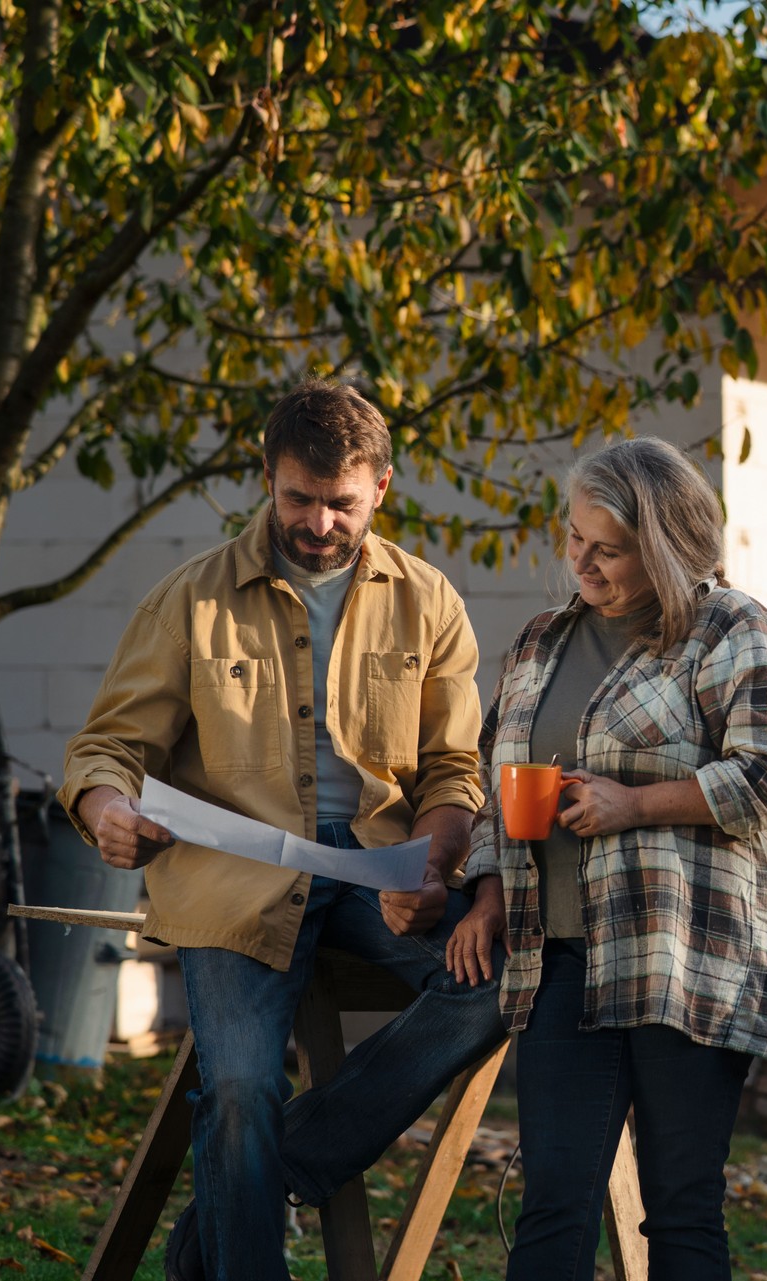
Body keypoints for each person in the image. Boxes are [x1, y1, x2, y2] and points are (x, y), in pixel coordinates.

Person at [59, 380, 507, 1281]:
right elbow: (108, 747)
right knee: (235, 1089)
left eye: (341, 502)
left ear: (382, 486)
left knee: (505, 982)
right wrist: (109, 813)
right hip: (233, 874)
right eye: (298, 497)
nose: (319, 522)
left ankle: (263, 1175)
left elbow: (455, 768)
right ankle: (247, 1195)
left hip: (382, 863)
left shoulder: (430, 601)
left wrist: (436, 863)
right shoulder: (188, 599)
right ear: (267, 476)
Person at [447, 437, 767, 1279]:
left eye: (607, 548)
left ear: (665, 544)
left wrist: (634, 803)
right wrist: (490, 890)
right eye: (575, 537)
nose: (583, 560)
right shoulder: (544, 640)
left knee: (679, 1209)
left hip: (685, 955)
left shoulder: (734, 632)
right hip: (560, 958)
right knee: (552, 1207)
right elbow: (500, 773)